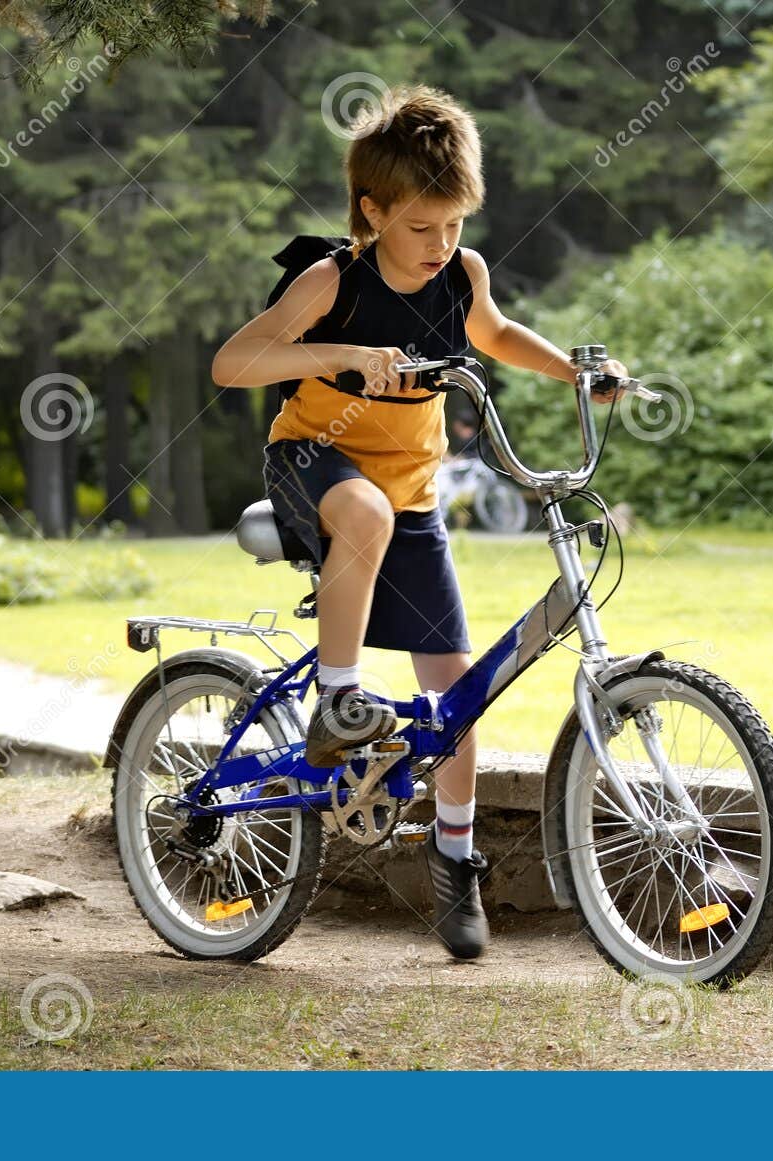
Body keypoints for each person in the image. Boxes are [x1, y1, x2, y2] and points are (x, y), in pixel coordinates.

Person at [210, 83, 627, 961]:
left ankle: (453, 858)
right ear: (372, 211)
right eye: (421, 228)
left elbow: (499, 334)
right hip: (311, 463)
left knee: (458, 693)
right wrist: (344, 355)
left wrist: (577, 376)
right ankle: (336, 701)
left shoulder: (462, 274)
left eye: (452, 226)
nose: (441, 246)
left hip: (412, 492)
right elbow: (235, 362)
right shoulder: (333, 279)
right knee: (359, 508)